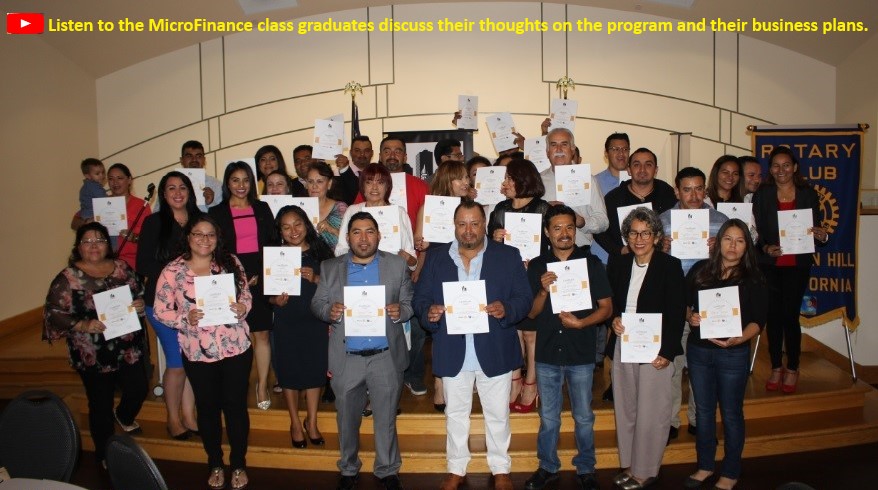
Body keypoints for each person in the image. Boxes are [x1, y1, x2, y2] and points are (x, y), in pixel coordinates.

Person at [414, 200, 534, 490]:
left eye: (475, 223)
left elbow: (524, 298)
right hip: (453, 348)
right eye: (462, 224)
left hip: (494, 346)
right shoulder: (436, 257)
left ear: (485, 225)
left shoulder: (508, 255)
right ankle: (456, 468)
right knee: (455, 414)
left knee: (498, 414)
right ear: (454, 226)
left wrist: (506, 309)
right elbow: (420, 299)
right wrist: (429, 313)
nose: (468, 230)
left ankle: (500, 468)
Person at [311, 211, 414, 490]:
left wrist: (401, 311)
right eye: (357, 232)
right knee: (346, 419)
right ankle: (348, 468)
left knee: (386, 419)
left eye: (370, 231)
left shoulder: (397, 265)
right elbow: (317, 304)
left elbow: (409, 302)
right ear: (348, 237)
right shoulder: (330, 267)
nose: (364, 238)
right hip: (347, 358)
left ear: (379, 235)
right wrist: (329, 312)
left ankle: (387, 470)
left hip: (385, 356)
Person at [154, 215, 253, 490]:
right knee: (208, 408)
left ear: (217, 238)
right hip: (198, 352)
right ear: (188, 237)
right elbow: (161, 310)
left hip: (236, 347)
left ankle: (239, 463)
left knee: (235, 407)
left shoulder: (230, 262)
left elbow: (246, 294)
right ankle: (215, 463)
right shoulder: (172, 271)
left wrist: (243, 307)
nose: (204, 240)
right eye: (198, 234)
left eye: (210, 234)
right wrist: (184, 318)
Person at [44, 222, 148, 466]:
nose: (94, 245)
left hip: (127, 345)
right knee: (100, 403)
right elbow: (53, 312)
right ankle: (105, 453)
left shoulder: (121, 267)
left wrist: (140, 304)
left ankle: (123, 415)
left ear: (107, 244)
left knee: (138, 388)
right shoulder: (68, 277)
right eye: (87, 241)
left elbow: (139, 292)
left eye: (99, 240)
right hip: (92, 351)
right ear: (78, 246)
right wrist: (83, 325)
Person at [523, 205, 612, 490]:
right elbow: (532, 313)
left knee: (583, 416)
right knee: (548, 417)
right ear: (547, 232)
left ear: (576, 230)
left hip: (580, 352)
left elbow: (606, 308)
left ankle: (586, 467)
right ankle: (547, 466)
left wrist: (582, 323)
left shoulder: (591, 264)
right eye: (558, 228)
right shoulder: (537, 266)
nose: (564, 233)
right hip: (548, 353)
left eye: (569, 227)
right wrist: (542, 290)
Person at [684, 219, 768, 490]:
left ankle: (731, 471)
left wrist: (738, 339)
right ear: (718, 242)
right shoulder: (700, 270)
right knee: (704, 412)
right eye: (728, 239)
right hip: (699, 351)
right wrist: (691, 317)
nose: (733, 246)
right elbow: (685, 304)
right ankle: (705, 465)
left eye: (740, 240)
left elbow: (758, 321)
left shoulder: (754, 278)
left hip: (734, 353)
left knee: (731, 413)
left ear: (747, 246)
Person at [606, 207, 686, 489]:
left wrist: (667, 351)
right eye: (633, 233)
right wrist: (614, 319)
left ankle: (646, 470)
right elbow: (611, 303)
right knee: (626, 407)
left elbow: (677, 312)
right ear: (626, 236)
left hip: (656, 349)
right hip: (624, 343)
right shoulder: (618, 263)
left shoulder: (670, 266)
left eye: (645, 233)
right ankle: (629, 464)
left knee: (652, 410)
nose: (639, 239)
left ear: (656, 236)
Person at [659, 167, 729, 440]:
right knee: (672, 363)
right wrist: (661, 249)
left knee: (703, 366)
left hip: (707, 300)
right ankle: (670, 420)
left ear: (705, 190)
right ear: (677, 191)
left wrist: (718, 251)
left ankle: (700, 418)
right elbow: (649, 262)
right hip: (673, 300)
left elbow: (734, 260)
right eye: (687, 189)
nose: (694, 195)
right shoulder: (663, 221)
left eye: (699, 189)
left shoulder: (721, 221)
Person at [752, 146, 828, 394]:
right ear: (770, 169)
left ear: (794, 167)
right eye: (776, 165)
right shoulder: (762, 194)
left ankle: (793, 367)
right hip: (771, 265)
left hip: (798, 264)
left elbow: (816, 229)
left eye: (786, 165)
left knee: (790, 316)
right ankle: (776, 366)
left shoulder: (808, 194)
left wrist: (822, 235)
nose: (781, 170)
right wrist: (766, 247)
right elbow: (756, 232)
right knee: (773, 316)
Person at [136, 171, 201, 440]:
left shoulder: (199, 220)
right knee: (176, 361)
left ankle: (189, 416)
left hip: (194, 303)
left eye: (182, 187)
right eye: (171, 188)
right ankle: (173, 419)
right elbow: (143, 264)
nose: (177, 193)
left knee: (190, 359)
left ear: (190, 192)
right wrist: (177, 275)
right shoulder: (154, 222)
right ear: (163, 194)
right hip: (162, 303)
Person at [209, 162, 277, 410]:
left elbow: (272, 242)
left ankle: (262, 384)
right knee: (233, 335)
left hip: (259, 278)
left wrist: (261, 274)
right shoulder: (217, 212)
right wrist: (236, 277)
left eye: (246, 180)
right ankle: (234, 385)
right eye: (235, 180)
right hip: (229, 280)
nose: (241, 185)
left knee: (262, 334)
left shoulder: (262, 208)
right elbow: (215, 250)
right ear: (227, 183)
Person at [487, 157, 551, 413]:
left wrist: (535, 261)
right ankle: (514, 379)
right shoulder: (500, 209)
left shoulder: (543, 208)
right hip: (508, 276)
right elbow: (489, 246)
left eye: (509, 178)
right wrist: (494, 237)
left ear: (523, 180)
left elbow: (553, 243)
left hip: (534, 275)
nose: (504, 183)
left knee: (531, 334)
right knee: (512, 331)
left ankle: (531, 383)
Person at [268, 205, 334, 449]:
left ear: (306, 224)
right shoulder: (274, 256)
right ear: (280, 231)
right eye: (286, 227)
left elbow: (335, 287)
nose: (293, 231)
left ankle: (312, 421)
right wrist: (275, 300)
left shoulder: (322, 252)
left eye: (297, 224)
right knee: (289, 373)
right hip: (287, 322)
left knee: (315, 371)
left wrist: (316, 279)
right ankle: (295, 423)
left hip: (316, 322)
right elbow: (265, 294)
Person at [412, 160, 473, 410]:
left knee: (464, 321)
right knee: (440, 327)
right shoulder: (429, 207)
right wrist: (422, 245)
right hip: (439, 268)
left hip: (467, 268)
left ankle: (467, 374)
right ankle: (439, 382)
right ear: (448, 180)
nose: (466, 182)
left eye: (467, 177)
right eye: (460, 178)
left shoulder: (470, 208)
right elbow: (419, 241)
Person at [594, 148, 677, 259]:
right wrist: (619, 250)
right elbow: (599, 230)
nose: (642, 169)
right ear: (629, 170)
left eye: (648, 165)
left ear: (656, 170)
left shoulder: (668, 194)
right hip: (623, 263)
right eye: (637, 165)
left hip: (660, 262)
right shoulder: (613, 198)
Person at [540, 128, 609, 254]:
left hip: (580, 252)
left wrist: (582, 222)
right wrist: (543, 209)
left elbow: (603, 222)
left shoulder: (588, 179)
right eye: (553, 145)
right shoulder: (538, 181)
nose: (559, 149)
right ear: (547, 152)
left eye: (564, 144)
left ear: (572, 150)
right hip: (546, 254)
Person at [73, 163, 152, 269]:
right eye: (111, 179)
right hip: (103, 263)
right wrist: (86, 222)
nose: (115, 182)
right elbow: (74, 223)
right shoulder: (101, 202)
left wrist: (134, 237)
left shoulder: (141, 205)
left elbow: (150, 238)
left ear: (129, 180)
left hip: (132, 264)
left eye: (120, 178)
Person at [308, 161, 348, 249]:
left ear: (329, 184)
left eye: (319, 181)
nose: (314, 186)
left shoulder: (341, 209)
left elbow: (351, 240)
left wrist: (331, 229)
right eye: (310, 182)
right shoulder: (299, 209)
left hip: (337, 257)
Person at [180, 140, 223, 212]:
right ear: (181, 160)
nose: (194, 160)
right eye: (189, 156)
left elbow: (223, 215)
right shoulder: (171, 185)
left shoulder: (216, 185)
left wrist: (211, 203)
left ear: (204, 160)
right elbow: (160, 212)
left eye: (198, 156)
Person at [337, 135, 375, 204]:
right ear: (351, 153)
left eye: (366, 151)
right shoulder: (337, 174)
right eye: (357, 151)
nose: (362, 154)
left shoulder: (378, 174)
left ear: (372, 153)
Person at [77, 157, 107, 223]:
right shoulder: (94, 186)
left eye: (103, 172)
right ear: (87, 176)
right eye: (97, 174)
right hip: (92, 215)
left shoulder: (86, 186)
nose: (101, 175)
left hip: (85, 215)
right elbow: (104, 199)